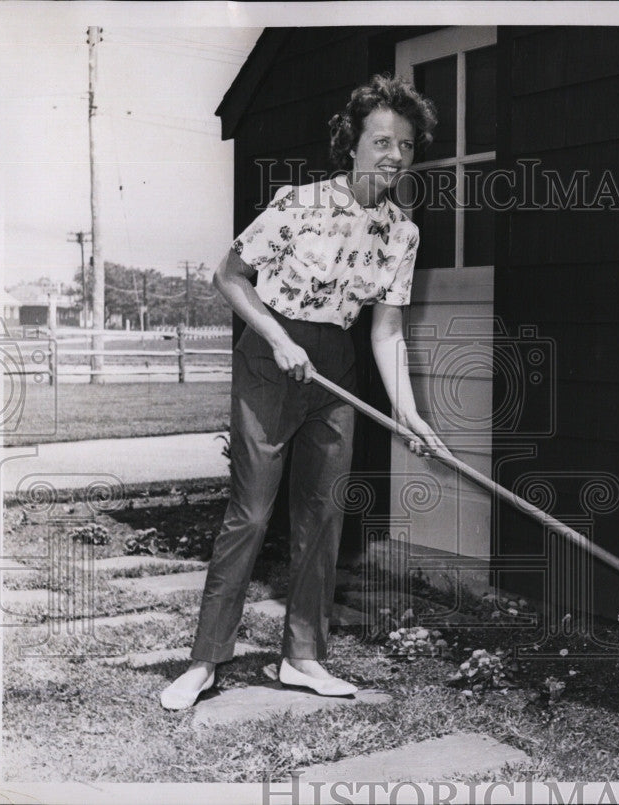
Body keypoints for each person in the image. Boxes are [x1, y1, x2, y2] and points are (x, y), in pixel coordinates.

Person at [161, 74, 446, 710]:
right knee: (253, 512)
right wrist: (276, 338)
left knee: (323, 514)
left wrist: (411, 414)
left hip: (335, 369)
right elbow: (229, 276)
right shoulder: (299, 204)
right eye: (380, 141)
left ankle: (303, 657)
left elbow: (388, 332)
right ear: (353, 144)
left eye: (405, 144)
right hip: (271, 358)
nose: (393, 155)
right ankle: (205, 661)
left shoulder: (402, 232)